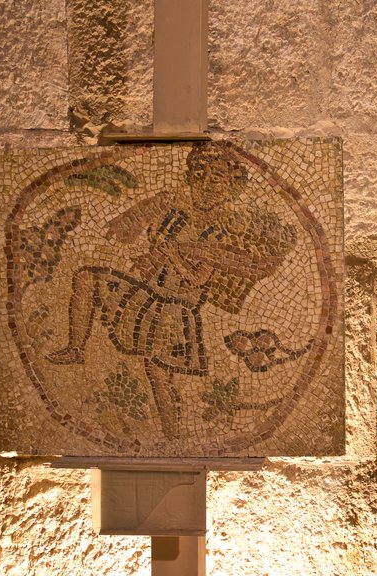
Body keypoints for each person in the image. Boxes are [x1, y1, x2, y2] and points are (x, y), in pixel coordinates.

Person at [47, 143, 298, 438]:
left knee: (157, 375)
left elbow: (197, 280)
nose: (205, 182)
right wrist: (153, 257)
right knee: (86, 279)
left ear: (231, 186)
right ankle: (76, 348)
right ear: (189, 177)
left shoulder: (222, 233)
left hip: (175, 311)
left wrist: (175, 256)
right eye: (199, 173)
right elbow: (144, 244)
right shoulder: (176, 211)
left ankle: (172, 435)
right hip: (148, 296)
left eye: (216, 176)